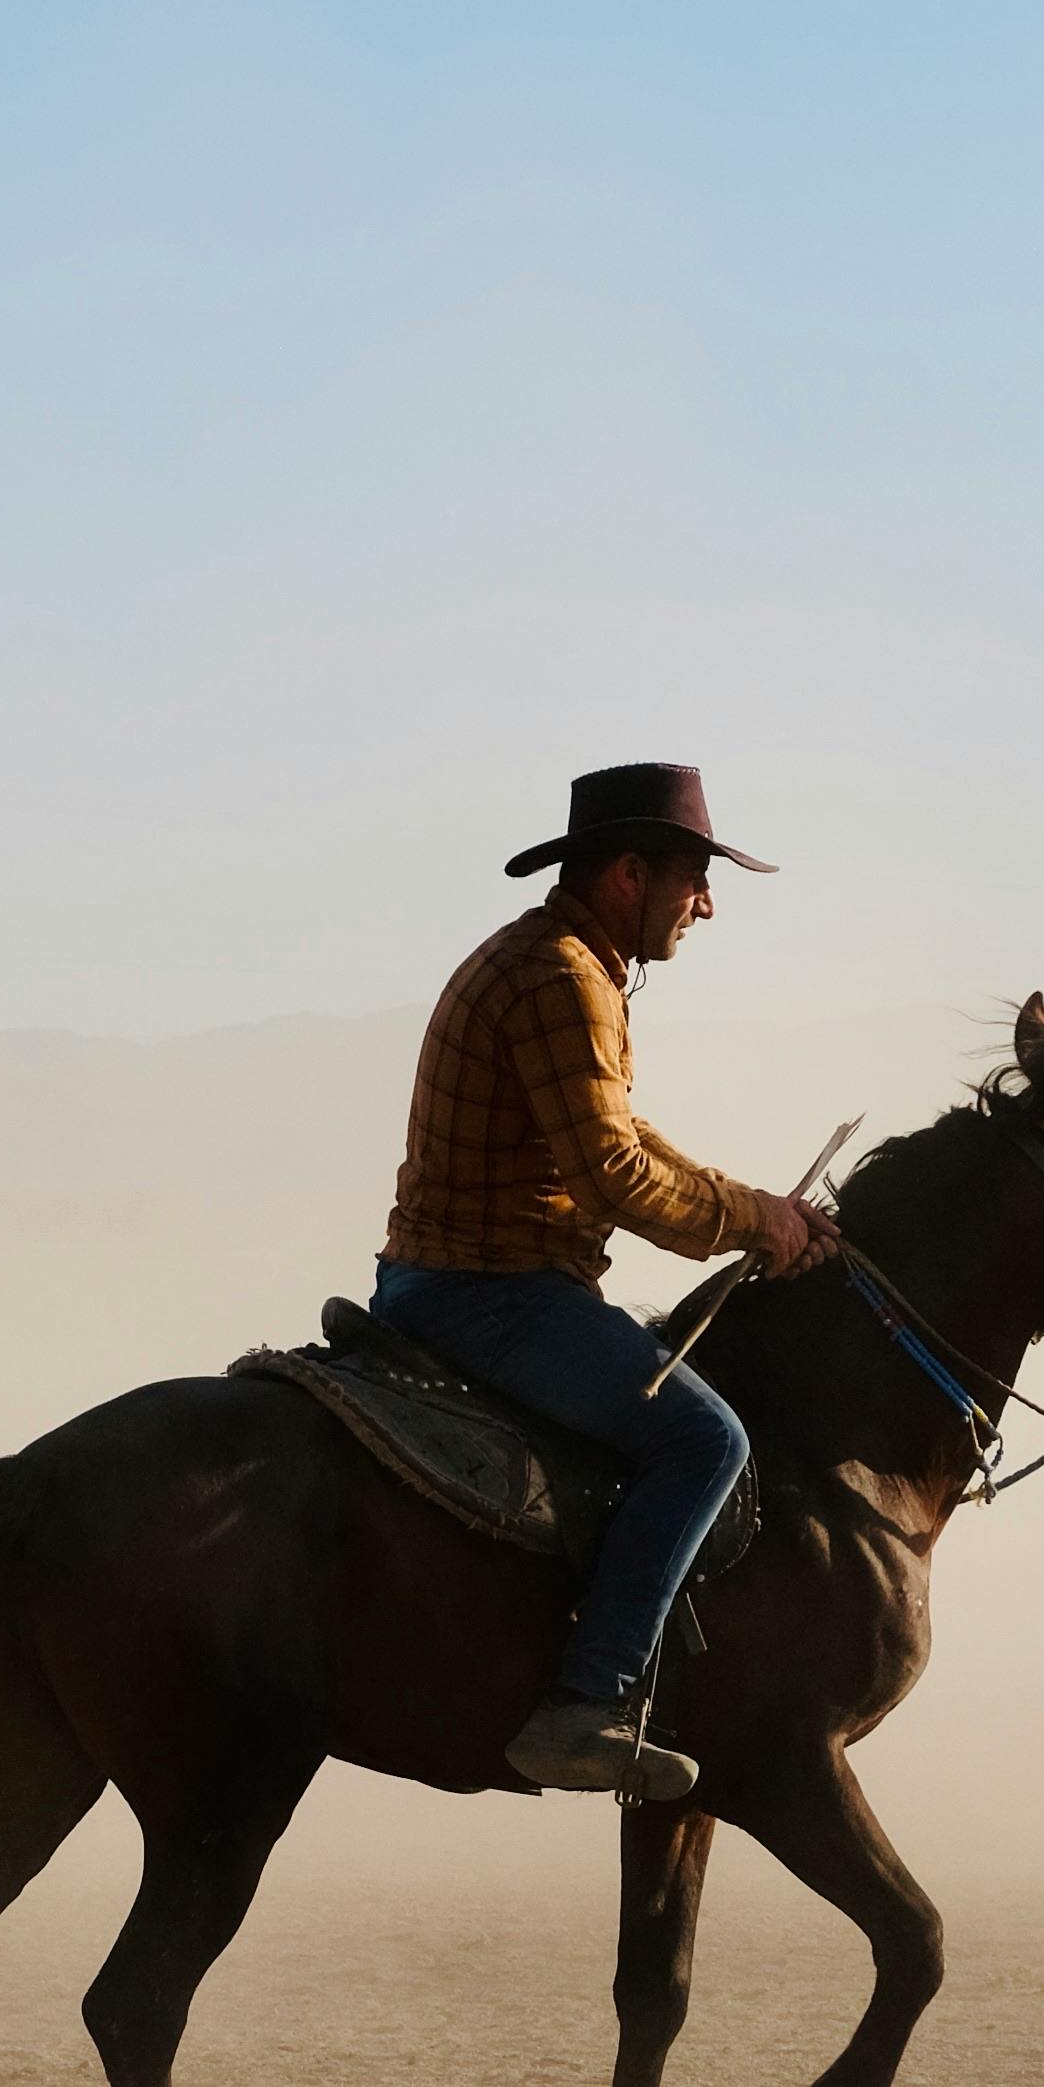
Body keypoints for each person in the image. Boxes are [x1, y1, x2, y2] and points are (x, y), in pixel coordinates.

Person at [375, 761, 839, 1801]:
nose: (705, 905)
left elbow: (618, 1134)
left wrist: (754, 1208)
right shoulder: (562, 980)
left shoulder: (558, 963)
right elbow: (611, 1174)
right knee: (702, 1437)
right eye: (693, 879)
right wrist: (747, 1221)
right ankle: (587, 1702)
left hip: (454, 1281)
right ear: (628, 873)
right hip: (486, 1293)